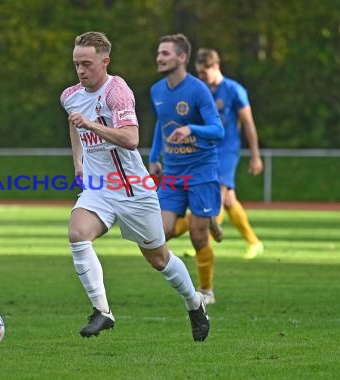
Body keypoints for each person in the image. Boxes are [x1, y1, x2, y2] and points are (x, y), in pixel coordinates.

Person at [61, 31, 209, 342]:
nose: (81, 70)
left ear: (105, 61)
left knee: (159, 260)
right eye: (76, 64)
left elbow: (130, 139)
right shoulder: (70, 95)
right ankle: (102, 311)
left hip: (133, 190)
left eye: (86, 63)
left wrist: (92, 126)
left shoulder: (118, 92)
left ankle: (194, 304)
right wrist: (78, 161)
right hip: (99, 187)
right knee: (77, 233)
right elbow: (73, 122)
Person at [148, 34, 225, 306]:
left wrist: (191, 128)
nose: (159, 58)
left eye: (165, 53)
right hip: (172, 172)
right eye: (159, 53)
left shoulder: (198, 90)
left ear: (182, 58)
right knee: (160, 232)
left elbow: (218, 130)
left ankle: (207, 290)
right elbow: (162, 123)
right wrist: (155, 155)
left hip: (202, 171)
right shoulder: (156, 90)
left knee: (197, 236)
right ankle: (203, 217)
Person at [195, 48, 264, 259]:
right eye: (198, 73)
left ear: (215, 67)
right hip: (207, 149)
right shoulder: (201, 90)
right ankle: (254, 242)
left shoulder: (235, 90)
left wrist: (255, 155)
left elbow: (249, 124)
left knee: (218, 192)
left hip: (227, 149)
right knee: (229, 200)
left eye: (203, 73)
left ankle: (203, 244)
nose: (200, 77)